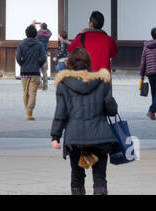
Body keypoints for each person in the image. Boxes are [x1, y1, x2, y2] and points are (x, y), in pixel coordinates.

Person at [50, 46, 119, 195]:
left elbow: (60, 112)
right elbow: (112, 110)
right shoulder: (102, 80)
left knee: (77, 176)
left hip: (75, 137)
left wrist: (56, 136)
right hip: (100, 136)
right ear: (89, 63)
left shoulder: (64, 84)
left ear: (70, 63)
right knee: (100, 177)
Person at [71, 11, 118, 75]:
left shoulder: (81, 37)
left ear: (91, 23)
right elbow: (113, 54)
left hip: (86, 77)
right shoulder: (109, 40)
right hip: (103, 78)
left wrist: (81, 33)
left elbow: (70, 49)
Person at [16, 24, 46, 120]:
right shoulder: (39, 45)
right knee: (33, 93)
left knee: (25, 92)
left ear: (26, 34)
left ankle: (27, 111)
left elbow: (18, 58)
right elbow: (43, 57)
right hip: (35, 71)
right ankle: (29, 112)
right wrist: (39, 64)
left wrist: (22, 64)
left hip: (24, 71)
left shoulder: (21, 45)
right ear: (36, 34)